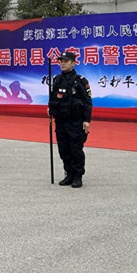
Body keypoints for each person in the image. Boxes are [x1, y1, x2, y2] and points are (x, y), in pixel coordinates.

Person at [48, 51, 92, 188]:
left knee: (76, 150)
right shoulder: (56, 80)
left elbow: (87, 101)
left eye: (66, 61)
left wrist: (87, 120)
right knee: (64, 150)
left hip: (75, 122)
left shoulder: (80, 81)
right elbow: (53, 98)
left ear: (73, 63)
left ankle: (78, 175)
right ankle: (69, 174)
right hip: (61, 121)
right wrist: (50, 109)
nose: (62, 63)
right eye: (61, 61)